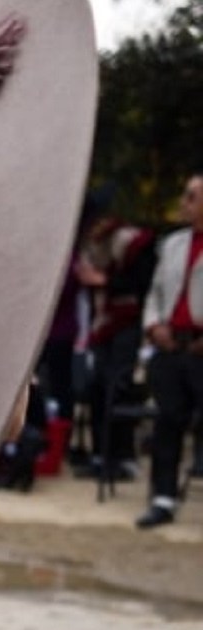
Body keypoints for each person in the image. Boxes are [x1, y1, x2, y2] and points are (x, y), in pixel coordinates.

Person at [137, 172, 203, 529]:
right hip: (171, 344)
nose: (183, 203)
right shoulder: (174, 244)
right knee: (167, 421)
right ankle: (163, 498)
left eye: (191, 197)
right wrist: (153, 325)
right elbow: (155, 293)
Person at [74, 210, 157, 481]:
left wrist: (103, 281)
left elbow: (142, 285)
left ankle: (122, 456)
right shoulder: (93, 247)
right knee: (97, 386)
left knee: (118, 387)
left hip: (127, 322)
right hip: (102, 324)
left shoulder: (132, 243)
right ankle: (100, 455)